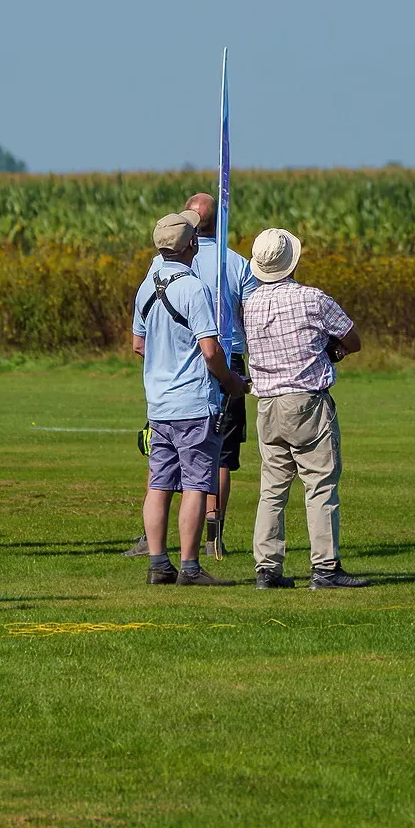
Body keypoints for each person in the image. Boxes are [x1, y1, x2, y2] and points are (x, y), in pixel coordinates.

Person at [125, 191, 257, 559]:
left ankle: (155, 557)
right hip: (197, 394)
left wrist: (166, 361)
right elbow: (213, 349)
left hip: (159, 397)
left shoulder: (147, 283)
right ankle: (195, 557)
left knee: (159, 482)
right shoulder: (202, 282)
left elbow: (138, 343)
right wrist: (230, 381)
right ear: (191, 244)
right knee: (205, 475)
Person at [241, 228, 369, 590]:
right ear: (292, 262)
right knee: (320, 484)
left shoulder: (249, 305)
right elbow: (352, 339)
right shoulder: (312, 299)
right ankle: (325, 568)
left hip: (267, 405)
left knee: (272, 489)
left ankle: (267, 568)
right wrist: (335, 351)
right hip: (307, 402)